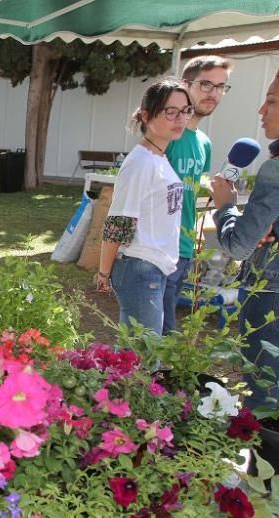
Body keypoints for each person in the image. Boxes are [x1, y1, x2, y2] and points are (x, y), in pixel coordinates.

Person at [211, 68, 279, 437]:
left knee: (266, 399)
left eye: (271, 101)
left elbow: (239, 243)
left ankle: (264, 486)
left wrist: (227, 206)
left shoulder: (275, 168)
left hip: (269, 298)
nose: (261, 110)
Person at [96, 79, 192, 335]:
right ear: (147, 116)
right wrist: (104, 272)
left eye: (185, 111)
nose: (180, 118)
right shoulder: (140, 162)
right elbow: (118, 222)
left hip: (155, 266)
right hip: (140, 266)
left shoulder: (159, 158)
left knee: (141, 355)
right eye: (171, 111)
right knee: (142, 357)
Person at [162, 56, 234, 333]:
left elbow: (193, 194)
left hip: (184, 248)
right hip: (158, 248)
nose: (213, 93)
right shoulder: (166, 135)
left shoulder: (204, 143)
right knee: (158, 332)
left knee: (165, 333)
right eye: (205, 84)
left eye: (221, 87)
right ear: (185, 85)